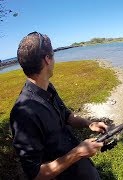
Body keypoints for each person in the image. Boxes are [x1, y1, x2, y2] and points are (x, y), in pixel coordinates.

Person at [10, 32, 108, 180]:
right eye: (53, 55)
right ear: (47, 59)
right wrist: (78, 153)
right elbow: (36, 175)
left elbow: (66, 115)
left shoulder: (48, 88)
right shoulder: (23, 114)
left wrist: (89, 124)